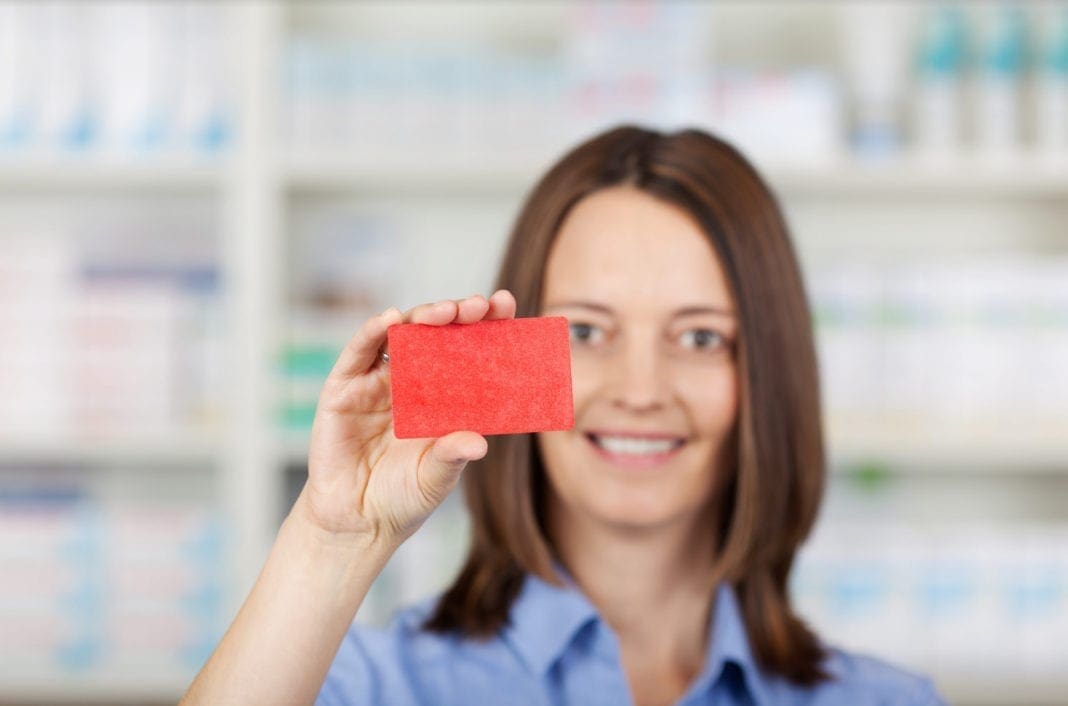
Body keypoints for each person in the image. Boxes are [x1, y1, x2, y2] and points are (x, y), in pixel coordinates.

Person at [181, 126, 946, 706]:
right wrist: (331, 544)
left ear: (768, 377)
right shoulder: (377, 685)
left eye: (702, 337)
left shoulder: (887, 699)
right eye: (585, 331)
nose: (640, 389)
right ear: (507, 355)